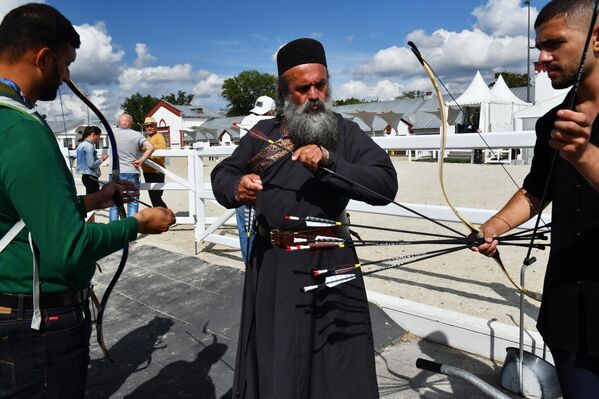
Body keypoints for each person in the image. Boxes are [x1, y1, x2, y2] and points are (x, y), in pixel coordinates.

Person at [0, 4, 175, 397]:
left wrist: (93, 201)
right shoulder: (20, 129)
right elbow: (68, 248)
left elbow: (21, 215)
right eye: (66, 63)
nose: (67, 76)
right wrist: (140, 225)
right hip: (38, 321)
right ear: (43, 57)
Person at [211, 38, 397, 399]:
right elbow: (223, 174)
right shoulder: (262, 134)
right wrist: (237, 186)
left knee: (336, 361)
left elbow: (385, 186)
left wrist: (330, 161)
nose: (314, 94)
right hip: (274, 263)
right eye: (303, 88)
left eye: (320, 84)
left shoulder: (346, 133)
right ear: (284, 92)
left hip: (331, 257)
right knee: (279, 353)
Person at [473, 1, 599, 397]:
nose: (541, 59)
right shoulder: (552, 122)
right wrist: (494, 226)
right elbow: (535, 190)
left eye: (554, 44)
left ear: (597, 38)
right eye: (538, 47)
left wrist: (585, 156)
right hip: (568, 312)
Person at [235, 95, 276, 263]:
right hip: (262, 184)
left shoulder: (246, 120)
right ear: (271, 111)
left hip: (243, 179)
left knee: (245, 230)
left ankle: (249, 266)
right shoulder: (272, 123)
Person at [109, 113, 154, 221]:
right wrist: (141, 160)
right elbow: (151, 147)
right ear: (131, 123)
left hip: (114, 172)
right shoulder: (137, 135)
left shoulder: (111, 133)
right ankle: (131, 230)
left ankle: (114, 230)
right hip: (131, 171)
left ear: (119, 122)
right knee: (132, 202)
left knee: (114, 203)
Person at [141, 116, 168, 208]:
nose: (149, 128)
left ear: (155, 126)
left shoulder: (159, 136)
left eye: (151, 125)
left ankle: (166, 215)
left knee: (156, 197)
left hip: (156, 172)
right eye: (147, 126)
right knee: (154, 197)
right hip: (148, 172)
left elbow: (162, 147)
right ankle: (163, 216)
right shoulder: (146, 138)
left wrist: (147, 148)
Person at [75, 125, 107, 194]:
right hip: (91, 177)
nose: (99, 138)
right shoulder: (89, 146)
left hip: (86, 176)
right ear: (94, 135)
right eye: (99, 136)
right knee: (95, 200)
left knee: (90, 197)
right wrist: (102, 159)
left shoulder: (81, 145)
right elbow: (91, 164)